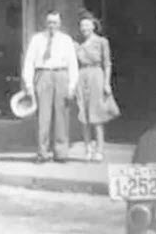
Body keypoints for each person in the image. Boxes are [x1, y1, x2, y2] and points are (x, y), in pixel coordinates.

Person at [22, 10, 79, 163]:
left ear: (60, 24)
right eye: (49, 22)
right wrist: (28, 83)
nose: (52, 25)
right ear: (45, 23)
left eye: (55, 22)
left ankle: (60, 153)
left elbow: (73, 63)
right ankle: (42, 152)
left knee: (62, 115)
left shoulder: (66, 40)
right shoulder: (37, 39)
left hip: (61, 75)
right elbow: (29, 62)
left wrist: (72, 85)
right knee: (43, 116)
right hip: (43, 75)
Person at [75, 10, 118, 162]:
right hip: (82, 76)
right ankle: (87, 149)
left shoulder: (102, 42)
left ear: (93, 26)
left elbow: (107, 63)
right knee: (84, 115)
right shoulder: (78, 45)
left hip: (96, 75)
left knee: (97, 115)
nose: (84, 28)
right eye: (82, 26)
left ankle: (99, 149)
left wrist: (106, 82)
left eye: (87, 25)